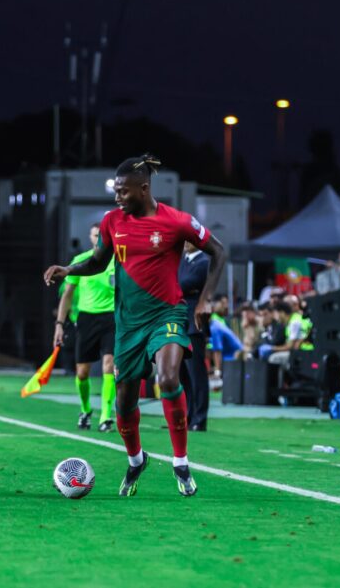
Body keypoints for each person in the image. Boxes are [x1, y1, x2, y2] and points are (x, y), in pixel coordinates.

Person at [43, 154, 225, 497]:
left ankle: (181, 462)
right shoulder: (113, 222)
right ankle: (136, 459)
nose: (117, 198)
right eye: (116, 191)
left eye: (123, 191)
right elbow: (98, 262)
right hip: (127, 324)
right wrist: (69, 270)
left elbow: (219, 251)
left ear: (144, 189)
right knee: (124, 403)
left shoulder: (177, 221)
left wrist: (205, 299)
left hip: (168, 314)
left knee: (168, 377)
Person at [53, 222, 117, 432]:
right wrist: (60, 324)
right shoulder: (81, 261)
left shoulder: (117, 261)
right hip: (87, 319)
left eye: (101, 235)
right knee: (82, 373)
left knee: (110, 365)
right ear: (90, 237)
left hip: (111, 319)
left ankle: (106, 417)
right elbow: (68, 294)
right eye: (95, 235)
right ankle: (86, 408)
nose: (98, 238)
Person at [179, 240, 210, 432]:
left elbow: (181, 284)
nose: (186, 243)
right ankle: (188, 416)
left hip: (194, 323)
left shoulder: (204, 262)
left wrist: (181, 287)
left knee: (196, 374)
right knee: (183, 374)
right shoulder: (183, 261)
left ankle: (200, 418)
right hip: (180, 321)